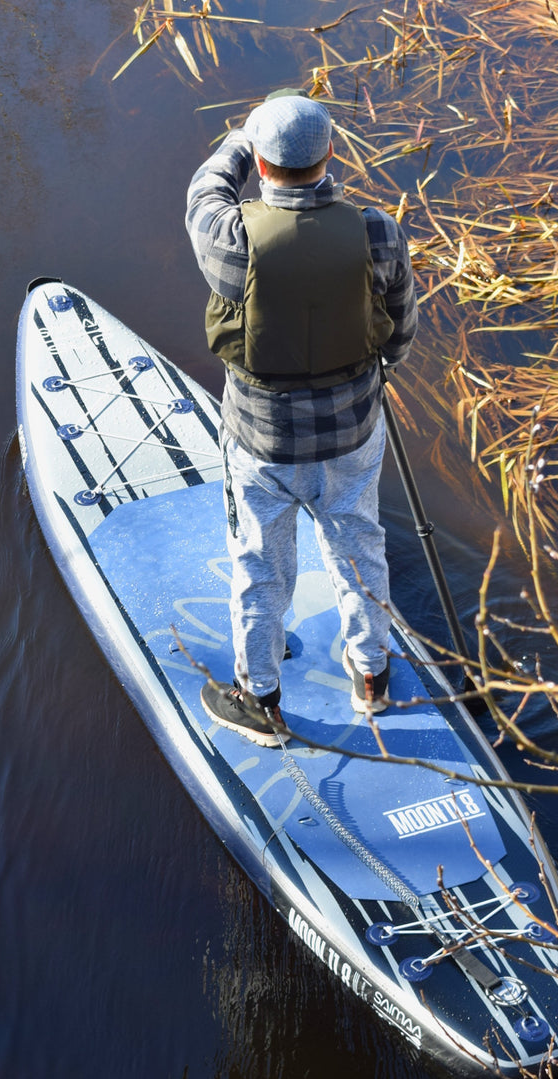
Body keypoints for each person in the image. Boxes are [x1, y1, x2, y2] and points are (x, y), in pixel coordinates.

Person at [184, 90, 418, 746]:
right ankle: (371, 676)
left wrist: (241, 138)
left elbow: (204, 190)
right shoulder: (377, 231)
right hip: (353, 433)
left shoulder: (231, 238)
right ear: (331, 153)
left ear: (261, 162)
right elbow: (400, 331)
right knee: (357, 544)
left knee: (261, 565)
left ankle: (260, 700)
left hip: (261, 443)